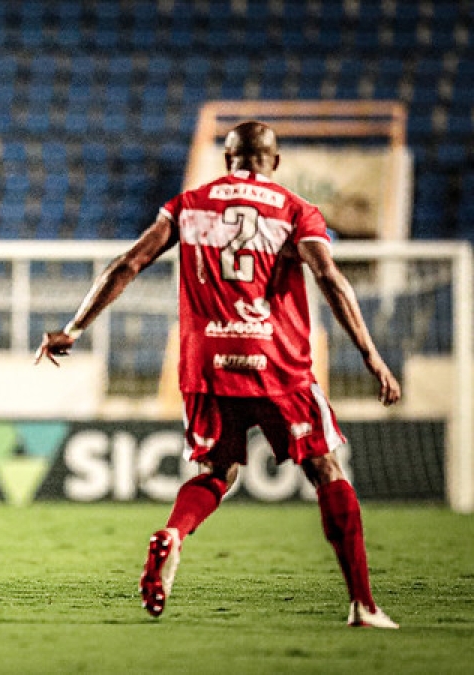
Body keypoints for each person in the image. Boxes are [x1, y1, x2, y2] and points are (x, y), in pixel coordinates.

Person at [35, 121, 402, 628]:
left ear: (228, 158)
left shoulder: (188, 205)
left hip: (207, 363)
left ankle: (174, 536)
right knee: (325, 470)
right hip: (277, 363)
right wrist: (370, 354)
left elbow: (128, 263)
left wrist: (73, 328)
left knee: (215, 472)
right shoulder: (296, 210)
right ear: (272, 161)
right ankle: (362, 603)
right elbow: (329, 279)